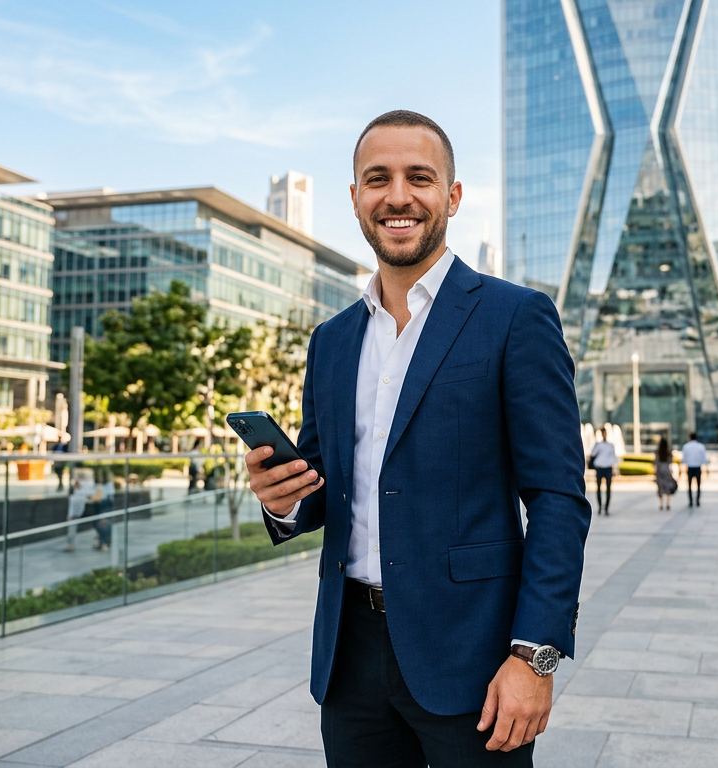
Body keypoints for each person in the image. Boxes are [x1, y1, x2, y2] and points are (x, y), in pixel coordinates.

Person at [247, 110, 590, 766]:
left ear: (452, 196)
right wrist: (282, 499)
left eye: (420, 178)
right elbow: (321, 489)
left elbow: (557, 500)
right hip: (349, 657)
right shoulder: (331, 341)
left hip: (475, 656)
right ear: (355, 198)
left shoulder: (515, 317)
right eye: (378, 179)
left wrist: (535, 656)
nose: (397, 196)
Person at [588, 427, 619, 515]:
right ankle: (600, 506)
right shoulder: (598, 445)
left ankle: (606, 507)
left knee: (608, 489)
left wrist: (616, 469)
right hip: (600, 468)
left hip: (608, 468)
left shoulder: (610, 445)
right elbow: (593, 454)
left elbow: (613, 457)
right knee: (598, 488)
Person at [64, 468, 96, 551]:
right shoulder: (79, 488)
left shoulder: (87, 485)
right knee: (72, 525)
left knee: (95, 524)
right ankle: (70, 544)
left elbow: (90, 494)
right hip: (79, 507)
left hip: (86, 505)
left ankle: (98, 541)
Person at [680, 432, 708, 507]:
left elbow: (684, 459)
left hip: (690, 467)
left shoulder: (686, 446)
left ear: (690, 438)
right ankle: (697, 500)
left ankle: (691, 501)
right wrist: (706, 468)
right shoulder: (701, 446)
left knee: (689, 485)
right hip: (697, 467)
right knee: (698, 485)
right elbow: (704, 458)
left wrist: (681, 468)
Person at [653, 436, 677, 510]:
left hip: (659, 470)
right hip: (667, 469)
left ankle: (661, 504)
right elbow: (670, 461)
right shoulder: (668, 451)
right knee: (668, 487)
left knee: (660, 487)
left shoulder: (658, 451)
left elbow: (655, 462)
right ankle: (667, 503)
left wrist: (654, 472)